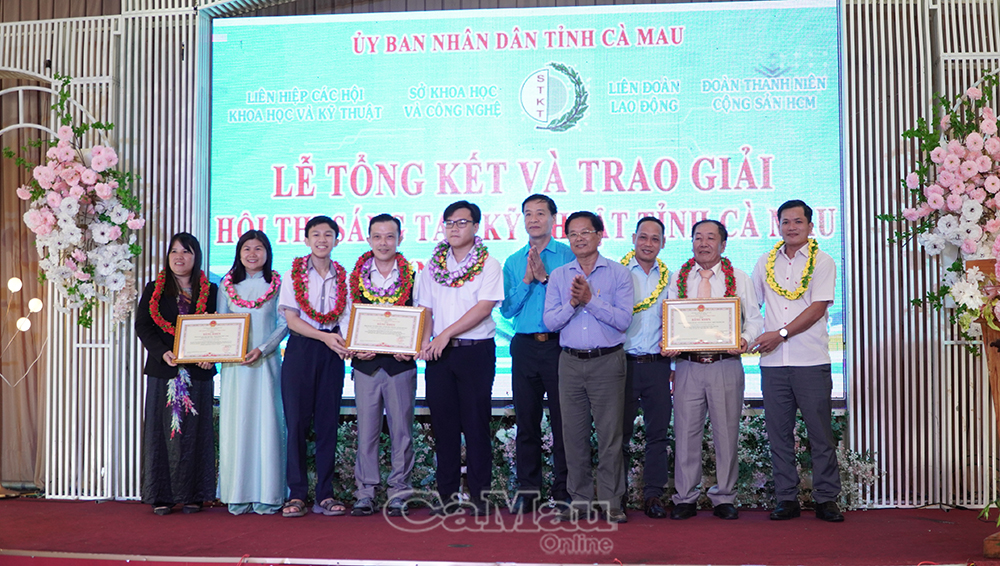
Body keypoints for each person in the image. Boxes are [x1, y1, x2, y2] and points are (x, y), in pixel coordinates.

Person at [750, 199, 844, 523]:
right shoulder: (764, 262)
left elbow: (817, 309)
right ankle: (786, 499)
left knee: (820, 435)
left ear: (810, 226)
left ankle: (826, 499)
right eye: (785, 222)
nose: (791, 227)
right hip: (773, 364)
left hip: (810, 361)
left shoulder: (823, 261)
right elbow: (751, 306)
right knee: (779, 436)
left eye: (798, 221)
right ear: (778, 226)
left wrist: (781, 334)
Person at [664, 219, 762, 521]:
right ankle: (685, 497)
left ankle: (725, 497)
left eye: (710, 238)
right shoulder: (679, 277)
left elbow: (754, 319)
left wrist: (744, 339)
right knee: (685, 433)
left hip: (725, 364)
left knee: (726, 433)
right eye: (698, 237)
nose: (703, 243)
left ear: (723, 244)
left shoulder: (739, 278)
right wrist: (670, 350)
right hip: (688, 366)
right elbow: (670, 320)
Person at [543, 211, 633, 524]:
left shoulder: (619, 273)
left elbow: (623, 320)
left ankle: (611, 503)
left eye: (585, 232)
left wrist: (590, 300)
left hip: (607, 361)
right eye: (573, 234)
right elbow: (550, 321)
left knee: (610, 437)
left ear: (599, 235)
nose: (579, 238)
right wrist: (573, 303)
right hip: (569, 362)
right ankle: (580, 501)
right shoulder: (559, 276)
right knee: (573, 436)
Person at [415, 200, 504, 516]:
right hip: (439, 356)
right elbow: (425, 308)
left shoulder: (489, 264)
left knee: (476, 426)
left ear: (476, 227)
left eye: (462, 222)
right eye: (449, 222)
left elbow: (483, 308)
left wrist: (444, 334)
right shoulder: (432, 265)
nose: (454, 228)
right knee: (444, 428)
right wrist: (425, 340)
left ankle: (480, 496)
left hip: (475, 352)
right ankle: (447, 497)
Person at [135, 232, 218, 516]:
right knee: (161, 433)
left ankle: (195, 494)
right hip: (164, 370)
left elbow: (219, 328)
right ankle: (160, 494)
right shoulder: (154, 289)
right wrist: (162, 352)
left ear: (196, 257)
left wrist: (211, 356)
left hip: (199, 372)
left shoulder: (211, 290)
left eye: (186, 251)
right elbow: (143, 325)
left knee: (197, 433)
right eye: (174, 251)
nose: (179, 257)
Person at [500, 194, 575, 513]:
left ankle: (564, 491)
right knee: (526, 422)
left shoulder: (568, 256)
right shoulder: (513, 261)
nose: (534, 219)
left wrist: (545, 278)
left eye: (540, 213)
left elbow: (573, 301)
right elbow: (507, 310)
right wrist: (527, 281)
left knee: (563, 422)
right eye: (528, 213)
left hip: (560, 346)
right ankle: (528, 491)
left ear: (553, 219)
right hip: (525, 346)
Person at [278, 216, 351, 518]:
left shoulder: (344, 277)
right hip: (301, 349)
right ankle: (296, 494)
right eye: (316, 234)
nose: (322, 239)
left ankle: (325, 494)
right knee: (296, 423)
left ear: (337, 240)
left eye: (328, 234)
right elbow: (292, 320)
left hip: (332, 353)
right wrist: (326, 337)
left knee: (327, 424)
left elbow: (346, 317)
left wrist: (346, 340)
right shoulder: (293, 274)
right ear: (306, 239)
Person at [347, 214, 417, 518]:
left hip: (401, 365)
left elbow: (422, 313)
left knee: (402, 432)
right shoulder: (356, 276)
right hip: (366, 366)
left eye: (390, 236)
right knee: (367, 433)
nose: (383, 243)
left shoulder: (413, 275)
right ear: (368, 239)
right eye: (377, 236)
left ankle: (399, 492)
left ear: (399, 239)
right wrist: (353, 346)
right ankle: (365, 493)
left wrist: (412, 347)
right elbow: (346, 316)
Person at [217, 230, 289, 515]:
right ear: (239, 252)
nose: (252, 254)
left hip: (266, 365)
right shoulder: (227, 285)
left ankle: (269, 494)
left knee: (267, 424)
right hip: (235, 369)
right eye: (247, 248)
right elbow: (220, 323)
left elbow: (284, 324)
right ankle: (237, 493)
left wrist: (263, 348)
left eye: (259, 248)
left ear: (267, 253)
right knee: (237, 425)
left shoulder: (278, 284)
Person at [620, 217, 673, 519]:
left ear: (663, 244)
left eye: (655, 239)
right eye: (643, 237)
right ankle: (618, 496)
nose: (648, 244)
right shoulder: (617, 273)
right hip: (622, 365)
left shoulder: (671, 278)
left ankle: (653, 495)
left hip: (657, 365)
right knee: (619, 435)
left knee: (658, 435)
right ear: (633, 239)